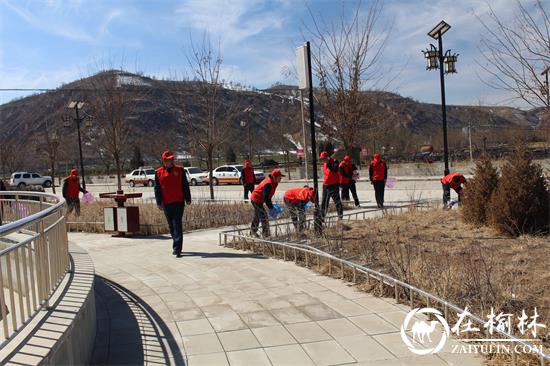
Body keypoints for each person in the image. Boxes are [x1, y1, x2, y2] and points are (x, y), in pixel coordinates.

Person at [154, 150, 192, 257]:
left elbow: (185, 185)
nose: (170, 161)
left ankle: (177, 248)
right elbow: (157, 189)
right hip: (166, 203)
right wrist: (159, 202)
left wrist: (188, 198)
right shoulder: (158, 172)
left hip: (179, 201)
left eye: (171, 159)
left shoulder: (180, 170)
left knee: (177, 224)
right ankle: (176, 241)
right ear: (164, 160)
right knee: (171, 226)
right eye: (168, 160)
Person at [250, 169, 285, 237]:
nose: (281, 179)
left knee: (257, 215)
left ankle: (253, 232)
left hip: (260, 200)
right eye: (279, 177)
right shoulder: (268, 184)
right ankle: (266, 234)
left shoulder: (274, 182)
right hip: (256, 199)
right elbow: (266, 198)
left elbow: (268, 197)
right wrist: (271, 208)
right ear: (275, 177)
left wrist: (272, 206)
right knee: (264, 216)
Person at [320, 151, 343, 219]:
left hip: (334, 185)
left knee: (337, 201)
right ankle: (322, 216)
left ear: (327, 157)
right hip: (325, 185)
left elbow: (335, 170)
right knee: (324, 202)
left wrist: (329, 164)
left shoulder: (335, 162)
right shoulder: (324, 164)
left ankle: (340, 216)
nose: (323, 160)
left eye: (324, 159)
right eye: (322, 159)